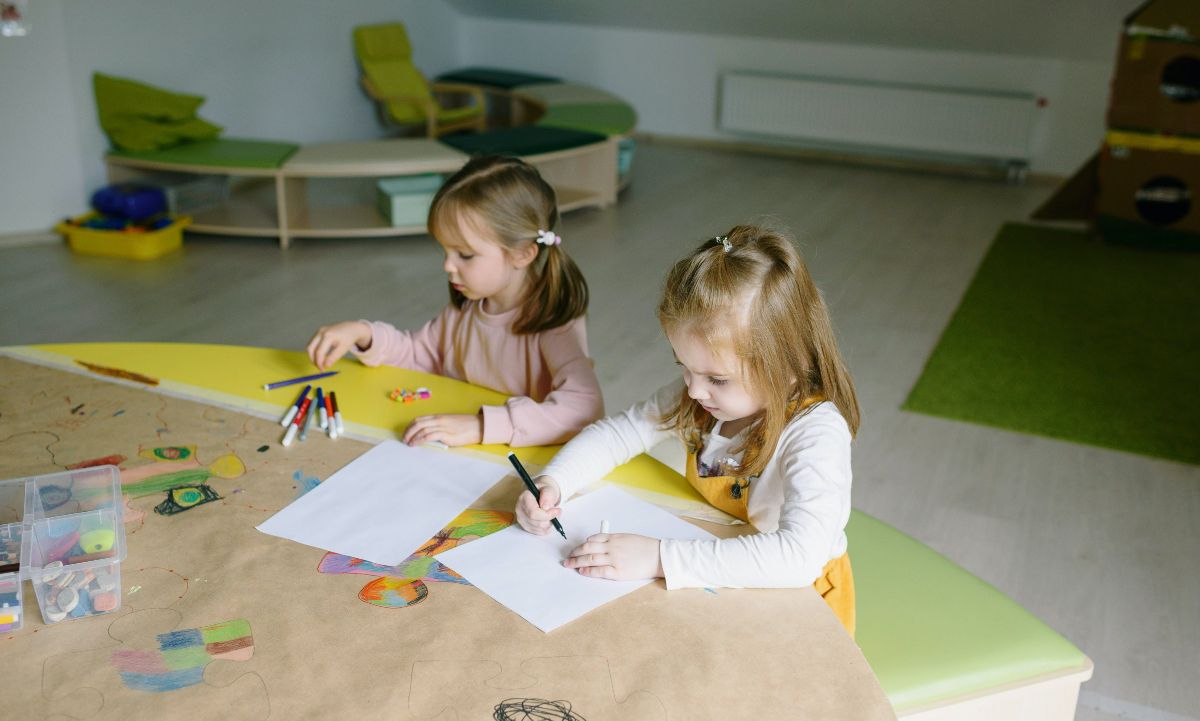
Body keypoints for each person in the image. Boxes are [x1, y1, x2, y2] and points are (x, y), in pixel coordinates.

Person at [515, 224, 861, 635]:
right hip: (720, 569)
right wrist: (554, 482)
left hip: (797, 601)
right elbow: (618, 434)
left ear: (788, 369)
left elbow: (798, 557)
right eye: (683, 367)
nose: (694, 390)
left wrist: (659, 558)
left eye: (717, 379)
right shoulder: (700, 394)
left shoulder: (815, 433)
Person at [306, 156, 604, 448]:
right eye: (445, 251)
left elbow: (584, 409)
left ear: (522, 254)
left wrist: (482, 426)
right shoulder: (466, 308)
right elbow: (417, 354)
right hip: (456, 450)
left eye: (464, 254)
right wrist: (363, 333)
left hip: (518, 462)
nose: (447, 265)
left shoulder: (554, 322)